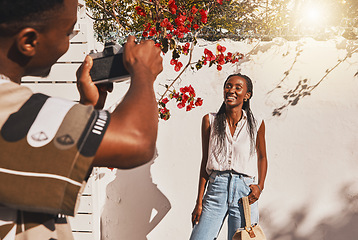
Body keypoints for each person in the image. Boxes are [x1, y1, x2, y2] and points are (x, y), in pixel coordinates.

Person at [0, 0, 163, 239]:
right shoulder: (9, 107)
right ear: (28, 42)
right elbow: (136, 142)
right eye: (68, 32)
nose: (68, 42)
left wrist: (89, 107)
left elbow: (45, 170)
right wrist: (143, 73)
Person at [189, 73, 268, 240]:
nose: (231, 90)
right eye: (228, 86)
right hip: (216, 188)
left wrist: (260, 186)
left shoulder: (256, 123)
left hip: (244, 193)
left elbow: (262, 157)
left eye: (238, 87)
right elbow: (205, 161)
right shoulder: (210, 120)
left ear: (247, 95)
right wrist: (199, 202)